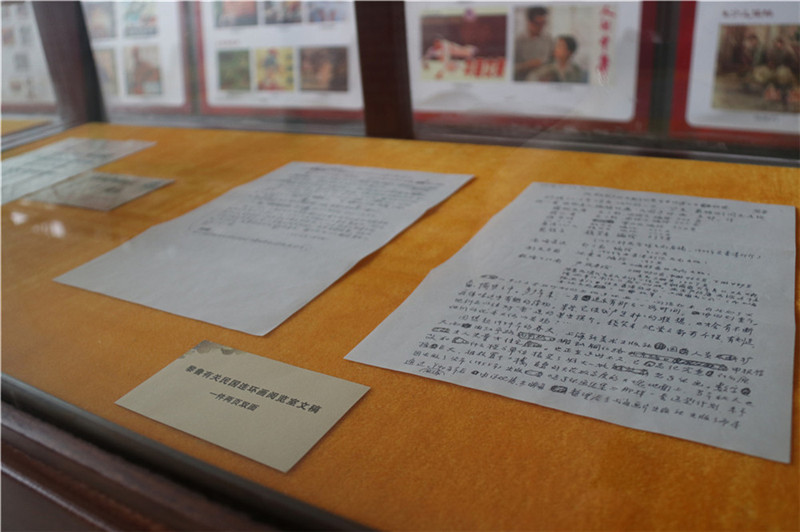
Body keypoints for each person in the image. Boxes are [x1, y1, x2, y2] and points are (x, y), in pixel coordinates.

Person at [513, 6, 552, 81]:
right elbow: (509, 69)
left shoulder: (548, 39)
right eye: (538, 24)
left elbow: (553, 62)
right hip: (523, 82)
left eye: (543, 23)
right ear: (529, 22)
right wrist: (526, 65)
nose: (541, 27)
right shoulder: (518, 41)